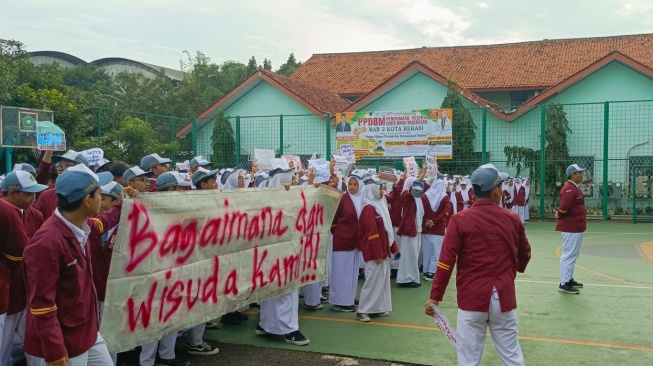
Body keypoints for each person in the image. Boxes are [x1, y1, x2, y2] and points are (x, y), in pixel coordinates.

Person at [23, 164, 132, 366]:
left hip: (86, 331)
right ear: (87, 200)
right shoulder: (46, 243)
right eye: (100, 193)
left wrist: (123, 202)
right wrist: (55, 350)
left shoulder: (80, 225)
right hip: (63, 342)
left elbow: (104, 221)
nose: (102, 198)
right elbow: (42, 305)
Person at [425, 164, 531, 366]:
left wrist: (435, 297)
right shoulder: (512, 218)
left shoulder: (459, 220)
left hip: (472, 299)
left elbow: (446, 262)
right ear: (497, 190)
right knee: (512, 358)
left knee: (468, 360)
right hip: (504, 298)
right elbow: (525, 253)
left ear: (474, 191)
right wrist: (515, 269)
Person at [256, 167, 310, 346]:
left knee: (279, 290)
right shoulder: (270, 201)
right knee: (283, 291)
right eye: (291, 178)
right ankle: (288, 329)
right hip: (277, 253)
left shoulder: (288, 196)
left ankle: (268, 324)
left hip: (285, 251)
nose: (295, 181)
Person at [0, 171, 48, 366]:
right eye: (28, 194)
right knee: (4, 341)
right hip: (7, 290)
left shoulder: (35, 214)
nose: (33, 198)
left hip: (28, 288)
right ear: (11, 194)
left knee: (27, 339)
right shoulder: (5, 212)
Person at [356, 176, 399, 322]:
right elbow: (372, 234)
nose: (383, 191)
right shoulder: (369, 208)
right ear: (373, 190)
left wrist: (393, 248)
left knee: (382, 280)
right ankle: (363, 310)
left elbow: (387, 230)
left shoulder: (379, 204)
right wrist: (377, 254)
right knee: (372, 280)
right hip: (375, 253)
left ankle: (378, 307)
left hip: (382, 251)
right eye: (380, 188)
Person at [328, 171, 365, 312]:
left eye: (355, 184)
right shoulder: (343, 198)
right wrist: (339, 232)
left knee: (353, 272)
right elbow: (334, 218)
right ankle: (340, 301)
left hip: (355, 241)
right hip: (343, 240)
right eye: (350, 184)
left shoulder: (362, 199)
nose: (352, 187)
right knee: (341, 271)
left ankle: (348, 297)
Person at [555, 164, 587, 294]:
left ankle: (568, 279)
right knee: (568, 254)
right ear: (573, 174)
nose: (582, 175)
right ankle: (564, 283)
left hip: (575, 226)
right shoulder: (569, 188)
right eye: (580, 172)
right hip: (570, 227)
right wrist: (559, 214)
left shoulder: (574, 187)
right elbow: (564, 206)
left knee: (573, 254)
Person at [33, 150, 90, 220]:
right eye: (58, 165)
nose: (59, 168)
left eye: (64, 165)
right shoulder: (46, 195)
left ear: (81, 168)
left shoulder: (91, 196)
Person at [396, 169, 427, 288]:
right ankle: (406, 278)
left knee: (413, 255)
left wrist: (423, 172)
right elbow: (411, 190)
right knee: (409, 254)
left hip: (416, 229)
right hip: (410, 229)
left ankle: (411, 277)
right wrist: (421, 174)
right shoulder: (406, 195)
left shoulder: (417, 198)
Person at [421, 179, 451, 281]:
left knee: (427, 251)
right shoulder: (444, 196)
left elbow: (420, 210)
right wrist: (434, 221)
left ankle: (425, 271)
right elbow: (446, 212)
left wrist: (426, 220)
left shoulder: (425, 195)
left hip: (425, 227)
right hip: (438, 228)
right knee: (436, 251)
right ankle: (431, 272)